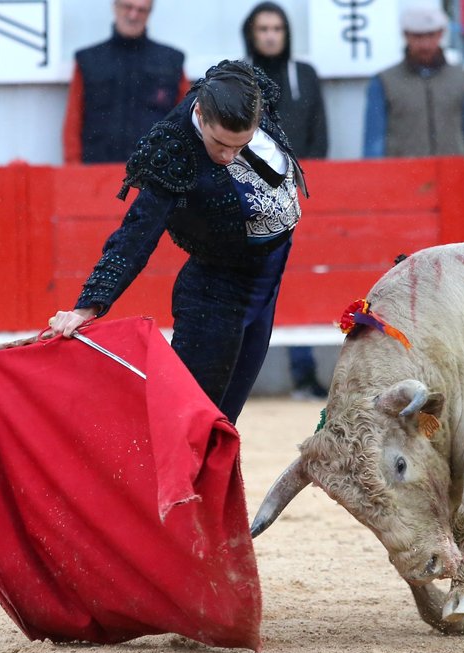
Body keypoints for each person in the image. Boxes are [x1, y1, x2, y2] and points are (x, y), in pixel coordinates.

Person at [47, 61, 307, 425]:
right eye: (220, 144)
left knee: (223, 422)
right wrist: (88, 306)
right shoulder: (173, 148)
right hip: (217, 293)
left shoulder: (244, 92)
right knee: (191, 423)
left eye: (241, 144)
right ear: (200, 112)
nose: (229, 155)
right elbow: (136, 234)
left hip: (267, 279)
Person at [241, 2, 329, 400]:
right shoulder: (237, 77)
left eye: (277, 28)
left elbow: (319, 136)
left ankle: (304, 371)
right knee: (261, 278)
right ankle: (244, 369)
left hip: (300, 187)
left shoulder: (304, 75)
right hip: (250, 190)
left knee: (302, 278)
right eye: (264, 28)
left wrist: (304, 182)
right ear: (252, 34)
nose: (271, 35)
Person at [61, 0, 189, 165]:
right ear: (115, 7)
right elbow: (73, 121)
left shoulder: (171, 61)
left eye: (141, 10)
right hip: (97, 173)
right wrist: (74, 170)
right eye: (128, 7)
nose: (133, 15)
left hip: (156, 177)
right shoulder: (89, 60)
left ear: (149, 13)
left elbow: (186, 122)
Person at [362, 4, 464, 158]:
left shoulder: (460, 78)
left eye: (431, 35)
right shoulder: (384, 81)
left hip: (453, 174)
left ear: (441, 34)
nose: (425, 44)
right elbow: (374, 142)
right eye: (418, 36)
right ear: (406, 35)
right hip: (403, 177)